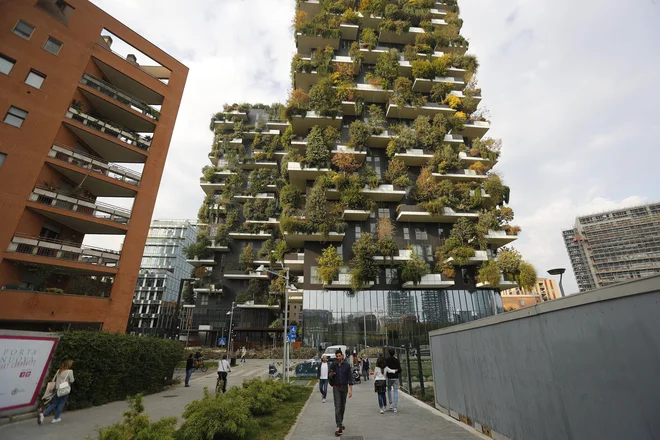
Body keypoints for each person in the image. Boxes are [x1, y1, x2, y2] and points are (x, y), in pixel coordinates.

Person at [39, 360, 74, 424]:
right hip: (64, 389)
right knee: (61, 403)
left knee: (55, 403)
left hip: (57, 389)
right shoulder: (70, 371)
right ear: (69, 365)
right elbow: (72, 380)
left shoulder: (59, 370)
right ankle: (56, 418)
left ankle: (44, 414)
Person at [329, 349, 353, 437]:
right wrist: (331, 375)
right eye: (337, 356)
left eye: (339, 356)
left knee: (342, 407)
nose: (338, 358)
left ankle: (340, 421)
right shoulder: (333, 365)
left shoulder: (346, 365)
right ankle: (338, 427)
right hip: (336, 387)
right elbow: (330, 375)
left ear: (342, 356)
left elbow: (350, 377)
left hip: (344, 387)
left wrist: (351, 390)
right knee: (337, 407)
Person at [385, 348, 402, 412]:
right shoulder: (396, 360)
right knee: (396, 391)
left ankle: (390, 404)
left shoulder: (386, 360)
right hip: (396, 377)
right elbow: (400, 369)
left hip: (389, 377)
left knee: (389, 390)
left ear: (389, 353)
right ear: (394, 353)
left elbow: (385, 368)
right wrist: (396, 371)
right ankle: (395, 407)